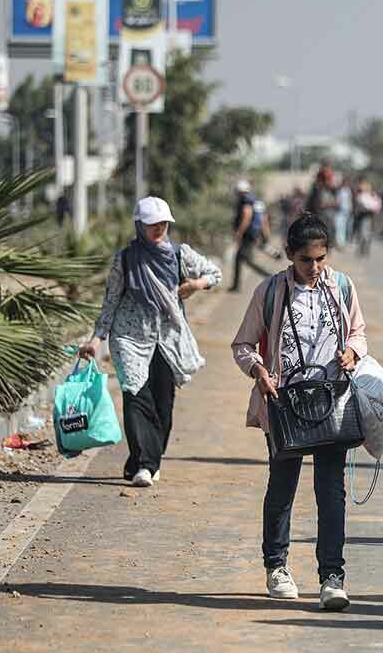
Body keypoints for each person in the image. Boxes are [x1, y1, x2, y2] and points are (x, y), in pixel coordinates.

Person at [230, 215, 368, 610]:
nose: (315, 267)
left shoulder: (341, 287)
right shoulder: (269, 291)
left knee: (331, 489)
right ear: (290, 255)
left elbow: (359, 331)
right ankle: (277, 566)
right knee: (283, 485)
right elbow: (242, 345)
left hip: (331, 400)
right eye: (306, 259)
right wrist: (258, 371)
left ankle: (332, 576)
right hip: (284, 404)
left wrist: (353, 351)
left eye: (321, 257)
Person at [80, 196, 221, 486]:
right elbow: (111, 301)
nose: (158, 229)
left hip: (167, 339)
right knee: (135, 396)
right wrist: (97, 339)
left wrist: (196, 285)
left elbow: (213, 273)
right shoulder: (126, 259)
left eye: (163, 224)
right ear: (139, 226)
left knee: (163, 403)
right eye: (152, 225)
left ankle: (142, 461)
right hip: (130, 338)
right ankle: (146, 464)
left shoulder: (181, 254)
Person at [229, 180, 273, 292]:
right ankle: (236, 285)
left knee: (247, 260)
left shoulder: (246, 201)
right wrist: (265, 235)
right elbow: (264, 219)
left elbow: (246, 217)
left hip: (247, 234)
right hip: (253, 234)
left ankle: (271, 277)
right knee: (240, 259)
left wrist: (239, 232)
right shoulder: (256, 201)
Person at [308, 161, 338, 238]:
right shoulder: (317, 187)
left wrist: (330, 203)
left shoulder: (332, 188)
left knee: (329, 231)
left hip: (329, 213)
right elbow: (315, 203)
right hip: (319, 213)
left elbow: (336, 201)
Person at [353, 180, 382, 257]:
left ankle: (365, 249)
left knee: (366, 233)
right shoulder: (361, 196)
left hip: (368, 216)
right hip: (362, 216)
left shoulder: (371, 196)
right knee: (363, 233)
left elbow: (376, 205)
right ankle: (363, 249)